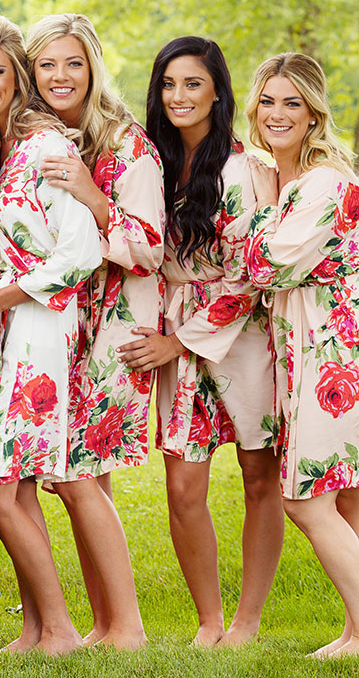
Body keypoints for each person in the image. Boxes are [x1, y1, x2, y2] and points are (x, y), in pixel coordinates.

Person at [118, 36, 283, 646]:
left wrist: (180, 343)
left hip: (241, 334)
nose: (179, 95)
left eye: (193, 83)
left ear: (218, 91)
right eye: (168, 84)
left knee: (258, 474)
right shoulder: (150, 162)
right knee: (183, 487)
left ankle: (247, 620)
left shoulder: (242, 169)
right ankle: (209, 620)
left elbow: (248, 275)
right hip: (174, 325)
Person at [0, 12, 102, 655]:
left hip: (39, 324)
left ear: (18, 75)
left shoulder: (45, 148)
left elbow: (82, 252)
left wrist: (0, 299)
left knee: (2, 485)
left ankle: (60, 629)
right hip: (3, 325)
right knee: (18, 482)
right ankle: (37, 628)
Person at [25, 12, 165, 647]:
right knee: (85, 478)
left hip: (114, 328)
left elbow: (149, 247)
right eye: (47, 64)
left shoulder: (127, 145)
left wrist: (90, 192)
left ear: (93, 68)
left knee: (77, 475)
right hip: (60, 324)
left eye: (73, 63)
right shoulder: (39, 138)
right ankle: (105, 622)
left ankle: (127, 626)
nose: (60, 76)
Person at [245, 52, 359, 658]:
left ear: (314, 112)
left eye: (292, 102)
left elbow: (266, 265)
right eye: (268, 100)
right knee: (347, 498)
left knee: (306, 498)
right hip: (310, 350)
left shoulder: (324, 183)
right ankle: (354, 632)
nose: (278, 113)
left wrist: (260, 208)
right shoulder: (294, 181)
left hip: (333, 355)